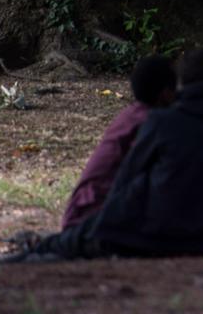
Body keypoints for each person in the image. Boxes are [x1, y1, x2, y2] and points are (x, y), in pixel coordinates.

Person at [20, 49, 203, 260]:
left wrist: (105, 228)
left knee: (57, 248)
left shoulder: (161, 121)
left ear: (179, 86)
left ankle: (27, 256)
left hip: (157, 237)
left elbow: (126, 183)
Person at [61, 56, 177, 229]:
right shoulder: (151, 125)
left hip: (85, 212)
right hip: (94, 220)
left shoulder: (130, 116)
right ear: (166, 93)